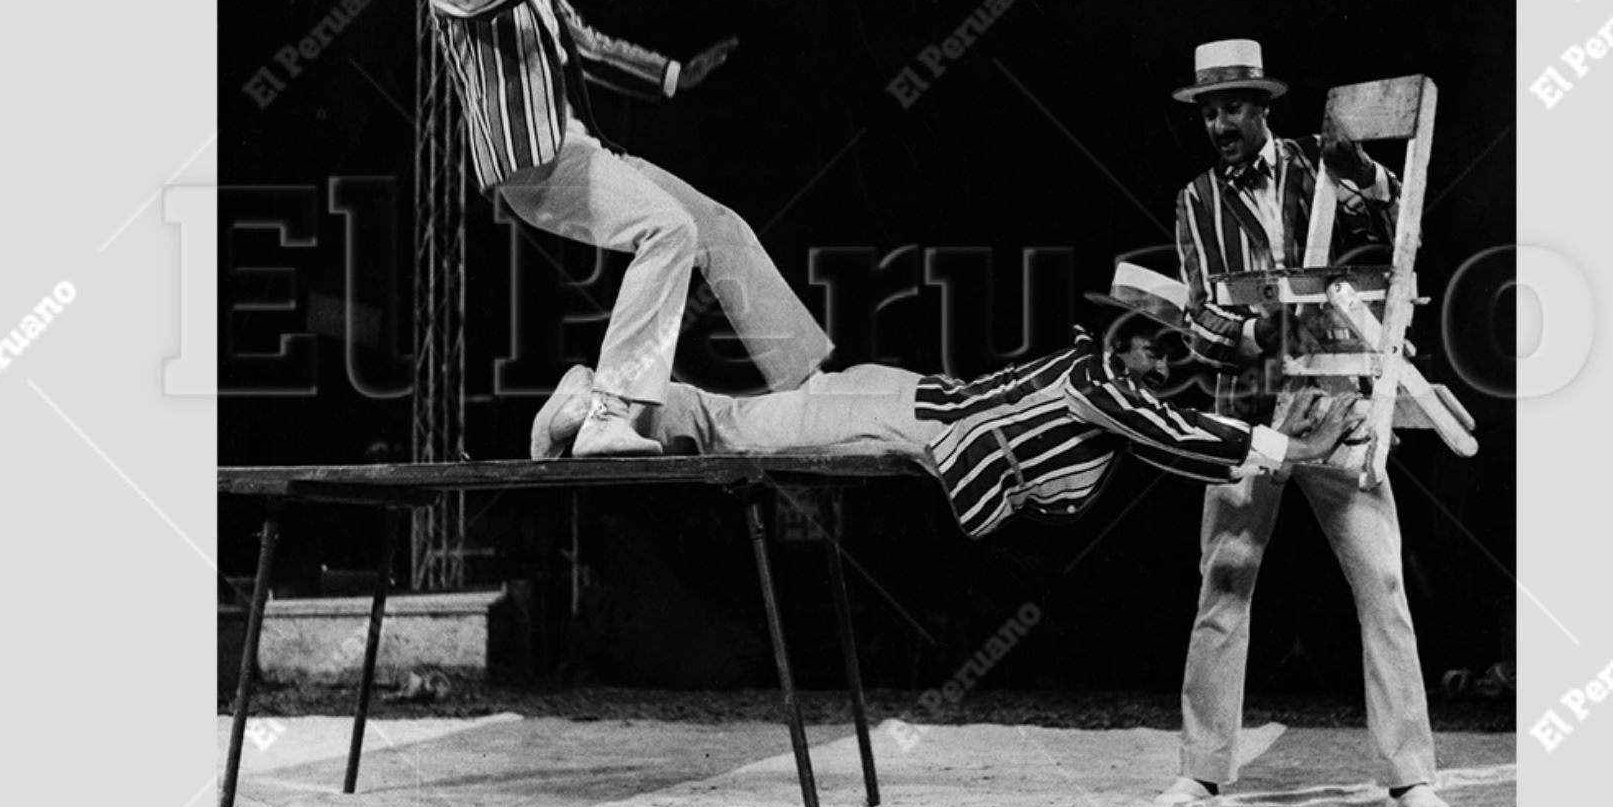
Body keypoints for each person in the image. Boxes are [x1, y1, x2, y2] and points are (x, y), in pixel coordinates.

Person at [419, 0, 831, 457]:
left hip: (575, 145)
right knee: (668, 230)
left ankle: (805, 381)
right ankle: (610, 411)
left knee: (718, 226)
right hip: (534, 160)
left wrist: (671, 74)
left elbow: (586, 43)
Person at [533, 263, 1364, 538]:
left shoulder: (1092, 377)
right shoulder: (1098, 382)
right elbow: (1177, 434)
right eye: (1158, 344)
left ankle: (613, 401)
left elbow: (1158, 428)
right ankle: (599, 393)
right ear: (1128, 340)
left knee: (732, 422)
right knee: (731, 425)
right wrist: (1288, 450)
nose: (1164, 360)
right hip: (905, 415)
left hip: (908, 403)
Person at [1166, 38, 1451, 807]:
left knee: (1383, 581)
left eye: (1233, 105)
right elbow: (1200, 316)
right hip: (1246, 411)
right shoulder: (1197, 200)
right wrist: (1259, 334)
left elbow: (1399, 224)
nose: (1220, 121)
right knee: (1224, 581)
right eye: (1209, 109)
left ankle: (1410, 770)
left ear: (1262, 106)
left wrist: (1358, 169)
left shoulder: (1312, 167)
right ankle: (1202, 766)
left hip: (1331, 402)